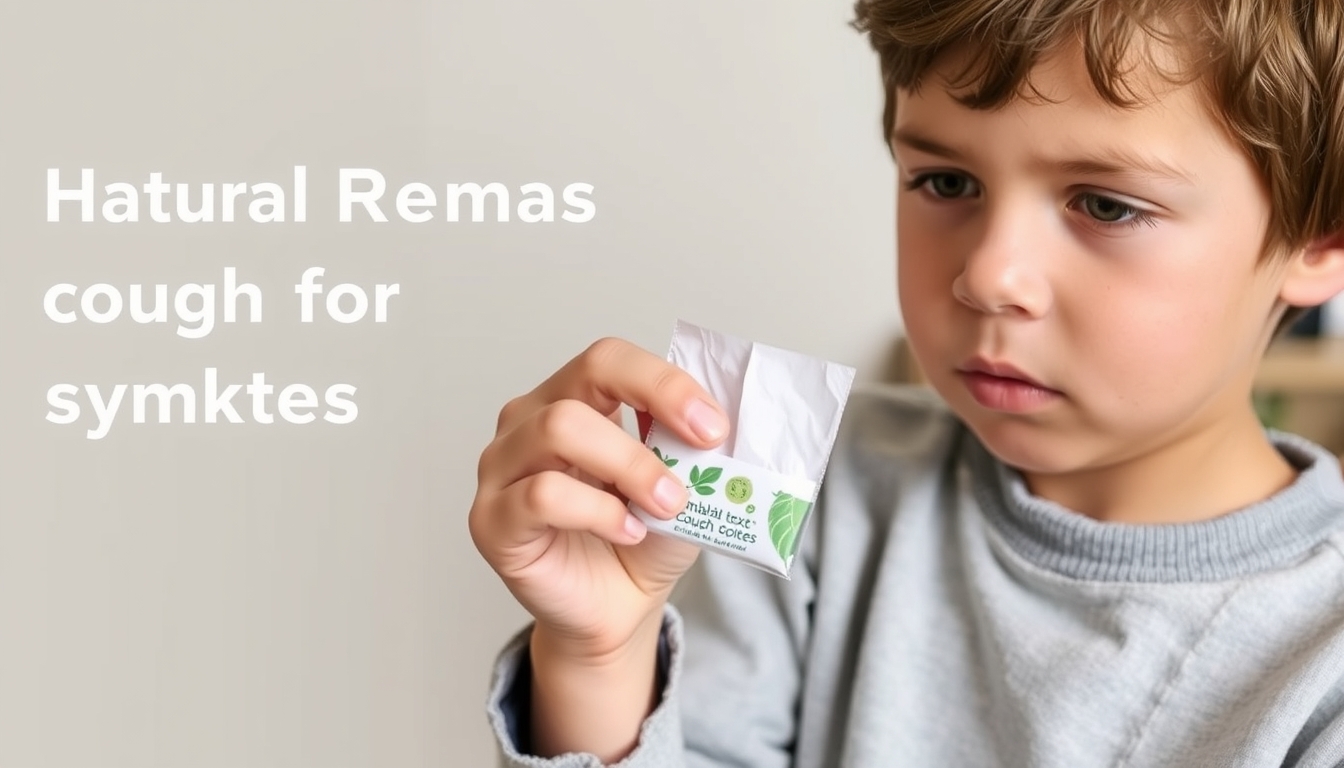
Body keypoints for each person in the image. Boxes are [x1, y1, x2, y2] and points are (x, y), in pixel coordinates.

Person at [469, 0, 1344, 765]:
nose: (988, 275)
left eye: (1106, 204)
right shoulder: (805, 490)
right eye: (946, 181)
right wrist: (598, 658)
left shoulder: (1321, 668)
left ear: (1322, 241)